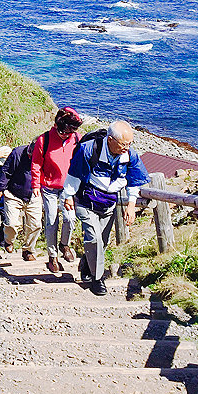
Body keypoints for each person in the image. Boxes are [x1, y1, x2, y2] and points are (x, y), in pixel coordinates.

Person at [63, 120, 149, 296]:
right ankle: (97, 279)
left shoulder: (130, 155)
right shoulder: (88, 149)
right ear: (110, 140)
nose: (127, 147)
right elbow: (74, 174)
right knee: (94, 238)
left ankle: (87, 263)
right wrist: (68, 196)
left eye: (130, 143)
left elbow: (134, 181)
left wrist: (131, 205)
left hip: (109, 204)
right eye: (123, 144)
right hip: (86, 202)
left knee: (102, 241)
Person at [32, 107, 83, 274]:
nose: (65, 136)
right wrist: (35, 185)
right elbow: (36, 164)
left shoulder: (76, 138)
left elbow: (81, 161)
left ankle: (64, 244)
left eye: (68, 133)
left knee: (70, 218)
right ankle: (52, 257)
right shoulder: (44, 139)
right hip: (49, 187)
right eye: (62, 132)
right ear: (56, 125)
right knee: (51, 221)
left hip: (69, 187)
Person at [0, 142, 42, 260]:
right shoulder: (17, 153)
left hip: (34, 194)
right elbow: (6, 171)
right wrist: (0, 188)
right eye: (29, 153)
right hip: (14, 193)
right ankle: (8, 241)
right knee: (12, 224)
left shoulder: (46, 155)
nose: (30, 156)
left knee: (36, 225)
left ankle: (28, 250)